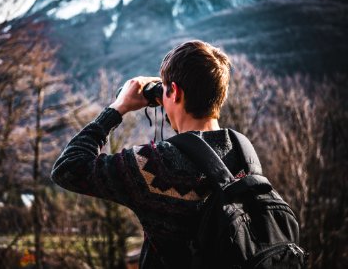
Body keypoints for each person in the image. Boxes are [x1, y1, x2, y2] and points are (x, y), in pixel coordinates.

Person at [51, 40, 245, 268]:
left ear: (174, 92)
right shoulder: (243, 154)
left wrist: (117, 108)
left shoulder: (156, 168)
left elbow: (68, 168)